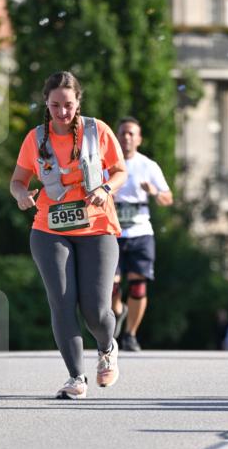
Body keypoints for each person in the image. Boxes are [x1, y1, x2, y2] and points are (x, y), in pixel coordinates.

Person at [10, 71, 127, 399]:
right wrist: (21, 195)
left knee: (96, 310)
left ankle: (106, 347)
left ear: (78, 102)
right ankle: (76, 377)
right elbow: (17, 180)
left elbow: (120, 171)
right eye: (55, 105)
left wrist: (105, 189)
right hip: (49, 230)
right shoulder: (35, 139)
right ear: (46, 104)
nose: (62, 112)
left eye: (68, 105)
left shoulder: (97, 131)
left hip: (96, 227)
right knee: (61, 303)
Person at [111, 116, 173, 352]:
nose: (126, 137)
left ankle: (130, 334)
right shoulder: (106, 163)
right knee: (110, 285)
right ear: (116, 137)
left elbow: (168, 198)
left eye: (131, 134)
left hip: (140, 232)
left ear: (139, 139)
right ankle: (118, 310)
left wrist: (154, 191)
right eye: (123, 133)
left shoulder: (148, 165)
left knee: (138, 286)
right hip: (113, 232)